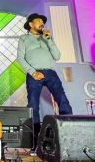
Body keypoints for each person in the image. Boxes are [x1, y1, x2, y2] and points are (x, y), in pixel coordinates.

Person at [17, 13, 72, 148]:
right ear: (31, 24)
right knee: (33, 105)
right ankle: (35, 141)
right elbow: (20, 58)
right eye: (39, 21)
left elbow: (57, 56)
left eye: (43, 22)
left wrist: (49, 40)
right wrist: (33, 72)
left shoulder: (47, 38)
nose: (42, 23)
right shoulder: (24, 38)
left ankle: (68, 133)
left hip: (50, 73)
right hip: (34, 74)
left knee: (63, 100)